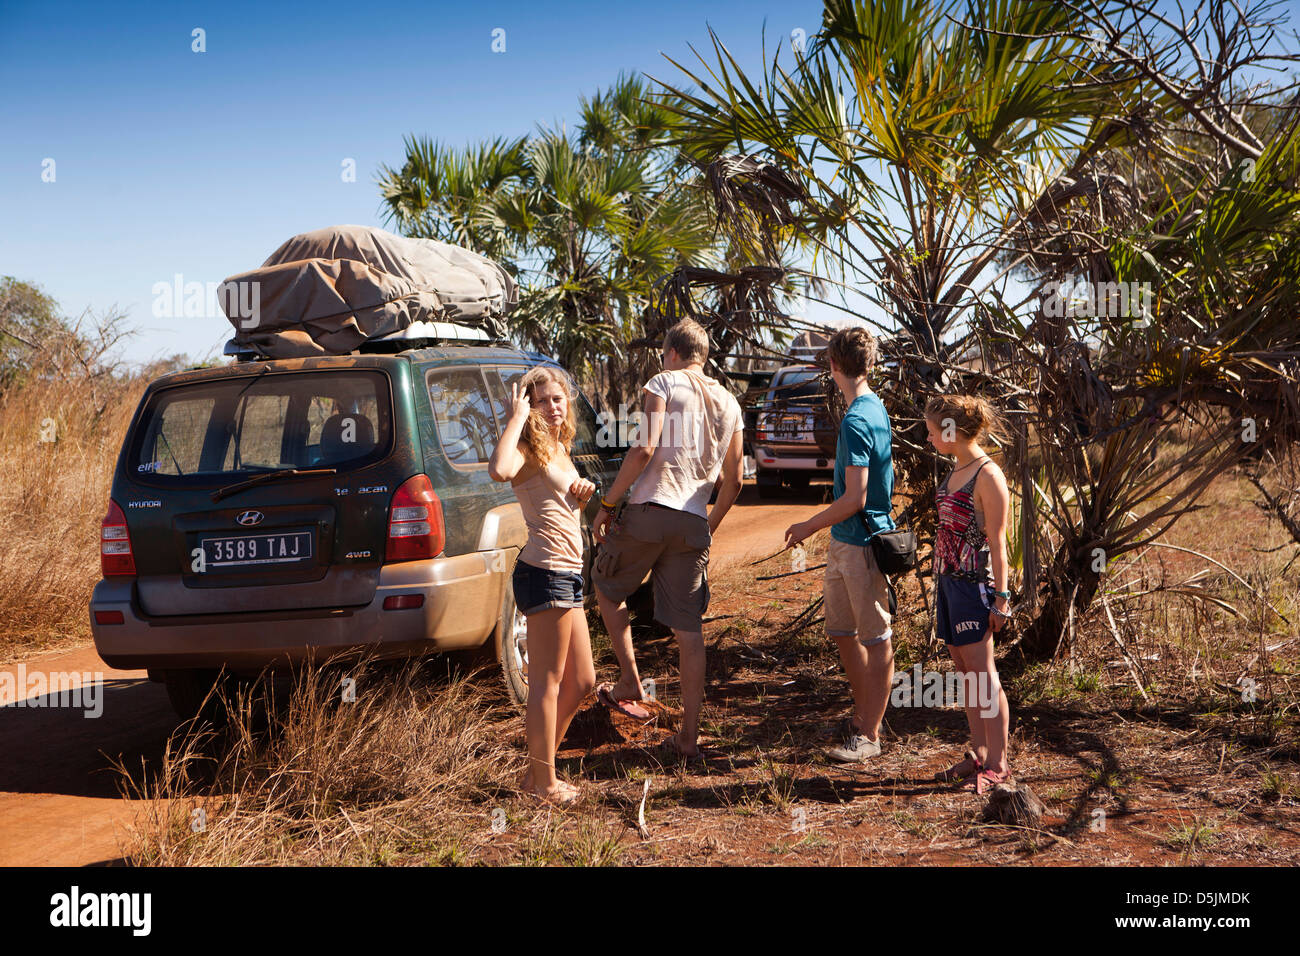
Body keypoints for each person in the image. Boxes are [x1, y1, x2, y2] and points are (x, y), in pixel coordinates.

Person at [591, 319, 745, 761]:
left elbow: (643, 449)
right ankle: (687, 740)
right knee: (689, 632)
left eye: (663, 353)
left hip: (649, 511)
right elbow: (734, 480)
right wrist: (707, 527)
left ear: (672, 352)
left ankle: (630, 681)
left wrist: (608, 504)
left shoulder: (663, 381)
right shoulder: (729, 402)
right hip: (694, 521)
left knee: (606, 586)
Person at [783, 326, 896, 764]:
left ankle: (869, 732)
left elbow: (855, 497)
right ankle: (866, 715)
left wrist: (809, 524)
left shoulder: (855, 419)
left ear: (833, 365)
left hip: (860, 542)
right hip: (849, 542)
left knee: (875, 637)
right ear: (868, 365)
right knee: (842, 631)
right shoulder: (874, 408)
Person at [488, 366, 598, 804]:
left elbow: (558, 502)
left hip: (569, 573)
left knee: (584, 680)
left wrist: (582, 494)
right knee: (547, 682)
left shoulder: (559, 447)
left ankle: (537, 773)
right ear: (529, 406)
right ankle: (545, 784)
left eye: (558, 398)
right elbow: (499, 470)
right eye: (542, 401)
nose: (553, 407)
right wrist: (514, 417)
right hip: (545, 571)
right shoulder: (528, 448)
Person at [923, 394, 1014, 794]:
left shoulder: (988, 476)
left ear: (949, 431)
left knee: (984, 675)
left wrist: (1001, 597)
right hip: (949, 584)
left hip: (976, 587)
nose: (928, 439)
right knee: (966, 675)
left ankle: (999, 763)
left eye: (930, 431)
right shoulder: (956, 471)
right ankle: (979, 754)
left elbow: (999, 544)